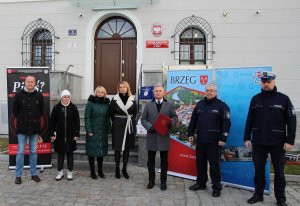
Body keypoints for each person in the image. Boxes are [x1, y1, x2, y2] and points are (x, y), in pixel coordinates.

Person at [244, 71, 296, 206]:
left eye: (268, 82)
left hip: (277, 143)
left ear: (274, 82)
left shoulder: (284, 99)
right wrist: (247, 137)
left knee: (279, 172)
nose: (266, 84)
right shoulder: (255, 99)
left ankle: (281, 199)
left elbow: (291, 121)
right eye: (264, 82)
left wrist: (290, 140)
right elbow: (249, 120)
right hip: (259, 141)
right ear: (261, 83)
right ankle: (258, 194)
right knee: (259, 170)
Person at [188, 83, 231, 197]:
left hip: (214, 142)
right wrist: (190, 134)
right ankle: (201, 183)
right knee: (200, 164)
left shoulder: (222, 106)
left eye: (211, 90)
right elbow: (193, 121)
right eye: (207, 90)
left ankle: (216, 188)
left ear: (216, 92)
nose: (209, 92)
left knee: (214, 167)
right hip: (201, 141)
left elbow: (227, 123)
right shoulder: (199, 105)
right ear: (205, 91)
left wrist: (223, 138)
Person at [141, 84, 178, 190]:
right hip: (152, 136)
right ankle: (151, 181)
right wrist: (150, 127)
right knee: (151, 161)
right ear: (153, 92)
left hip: (164, 137)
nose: (158, 92)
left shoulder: (169, 104)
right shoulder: (148, 105)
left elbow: (175, 117)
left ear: (164, 92)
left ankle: (163, 182)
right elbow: (143, 119)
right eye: (156, 91)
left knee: (164, 161)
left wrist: (171, 123)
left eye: (160, 91)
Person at [13, 75, 44, 184]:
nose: (30, 83)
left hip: (35, 129)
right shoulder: (18, 95)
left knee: (33, 152)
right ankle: (18, 175)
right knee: (20, 152)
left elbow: (41, 112)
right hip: (22, 128)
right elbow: (15, 112)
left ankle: (34, 174)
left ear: (35, 83)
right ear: (24, 83)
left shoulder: (39, 96)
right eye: (28, 81)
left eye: (32, 82)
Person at [49, 90, 80, 181]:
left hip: (71, 135)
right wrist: (52, 133)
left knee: (70, 154)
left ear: (70, 98)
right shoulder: (56, 108)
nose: (66, 98)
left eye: (68, 97)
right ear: (61, 98)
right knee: (60, 154)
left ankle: (70, 172)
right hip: (59, 135)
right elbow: (52, 122)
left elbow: (77, 121)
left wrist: (76, 133)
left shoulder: (73, 108)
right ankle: (60, 172)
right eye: (64, 97)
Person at [109, 81, 137, 179]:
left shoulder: (132, 99)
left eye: (124, 87)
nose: (122, 88)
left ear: (127, 88)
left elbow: (135, 113)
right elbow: (111, 113)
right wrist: (117, 121)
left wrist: (129, 121)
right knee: (117, 149)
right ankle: (117, 168)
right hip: (118, 126)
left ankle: (124, 169)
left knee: (126, 149)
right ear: (118, 89)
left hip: (128, 125)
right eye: (120, 87)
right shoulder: (114, 99)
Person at [85, 86, 110, 179]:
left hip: (102, 131)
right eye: (98, 92)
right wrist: (89, 130)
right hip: (93, 131)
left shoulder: (106, 104)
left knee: (101, 152)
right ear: (96, 93)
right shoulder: (90, 103)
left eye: (102, 92)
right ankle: (92, 172)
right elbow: (87, 118)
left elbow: (107, 118)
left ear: (104, 93)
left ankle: (100, 171)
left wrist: (109, 129)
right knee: (91, 152)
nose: (100, 93)